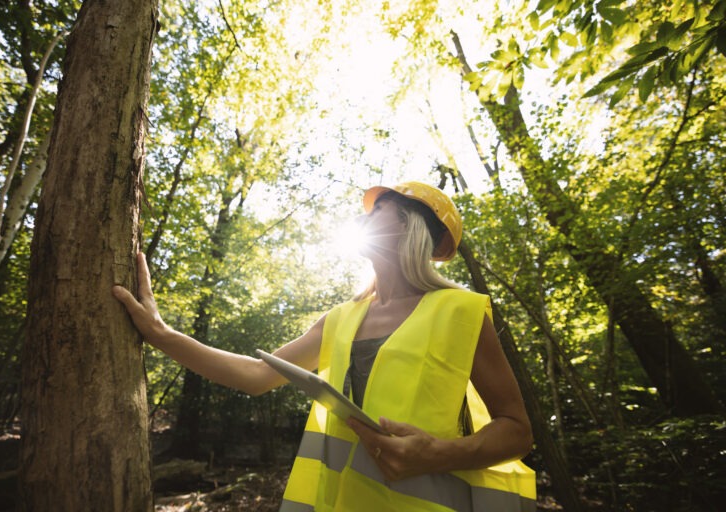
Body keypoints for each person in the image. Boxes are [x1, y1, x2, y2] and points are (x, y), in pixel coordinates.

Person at [113, 181, 537, 511]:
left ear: (409, 224)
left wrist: (439, 454)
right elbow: (257, 376)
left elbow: (516, 430)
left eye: (378, 211)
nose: (362, 220)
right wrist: (161, 334)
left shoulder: (460, 311)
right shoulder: (341, 318)